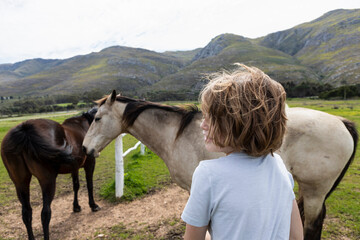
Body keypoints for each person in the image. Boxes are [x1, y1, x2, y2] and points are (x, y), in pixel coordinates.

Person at [181, 64, 303, 240]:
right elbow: (296, 237)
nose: (202, 125)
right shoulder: (277, 164)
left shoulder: (208, 174)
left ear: (241, 123)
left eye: (211, 119)